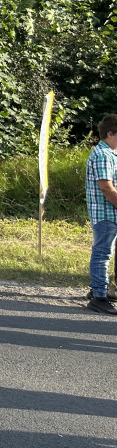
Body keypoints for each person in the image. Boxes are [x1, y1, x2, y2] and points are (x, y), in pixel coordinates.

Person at [86, 115, 117, 314]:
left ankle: (100, 289)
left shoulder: (111, 153)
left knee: (105, 253)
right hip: (105, 214)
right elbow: (106, 188)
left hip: (110, 213)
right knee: (102, 254)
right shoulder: (103, 155)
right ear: (110, 133)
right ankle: (98, 296)